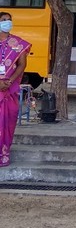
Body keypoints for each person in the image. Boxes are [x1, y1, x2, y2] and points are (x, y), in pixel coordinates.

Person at [0, 12, 32, 167]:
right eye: (3, 20)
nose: (8, 22)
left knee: (8, 120)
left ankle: (3, 155)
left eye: (9, 20)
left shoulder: (18, 43)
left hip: (9, 89)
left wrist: (10, 81)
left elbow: (22, 65)